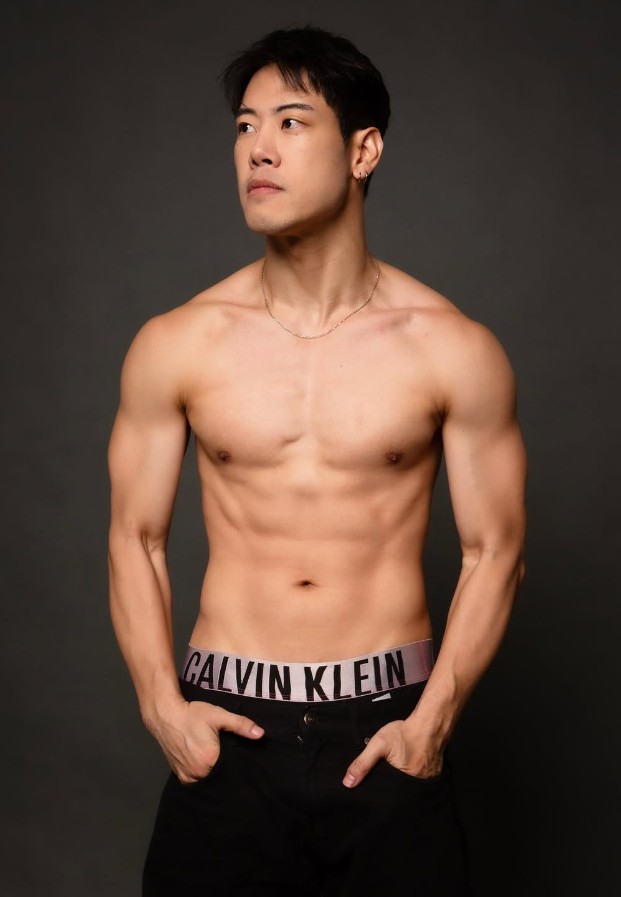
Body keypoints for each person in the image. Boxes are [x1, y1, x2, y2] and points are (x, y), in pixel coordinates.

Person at [108, 26, 526, 896]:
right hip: (227, 733)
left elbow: (495, 550)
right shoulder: (177, 342)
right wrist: (160, 706)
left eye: (291, 123)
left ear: (363, 150)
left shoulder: (451, 347)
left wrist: (432, 723)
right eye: (244, 125)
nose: (257, 148)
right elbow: (135, 537)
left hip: (388, 732)